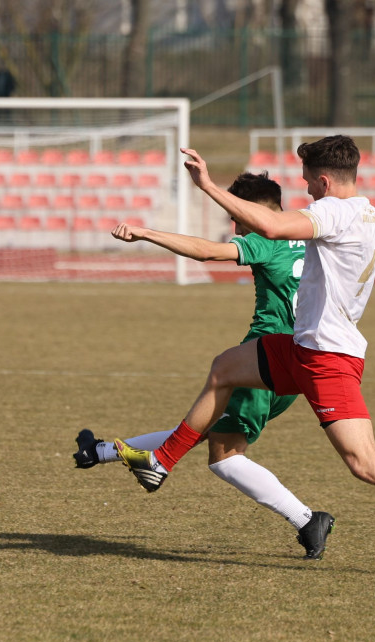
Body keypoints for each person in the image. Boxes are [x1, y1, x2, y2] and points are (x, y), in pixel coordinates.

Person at [114, 136, 375, 582]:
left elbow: (271, 228)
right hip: (301, 347)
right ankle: (161, 462)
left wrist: (209, 187)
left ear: (325, 180)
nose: (307, 190)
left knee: (365, 463)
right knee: (224, 368)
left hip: (327, 359)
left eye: (309, 182)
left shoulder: (331, 212)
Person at [73, 172, 336, 559]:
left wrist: (147, 233)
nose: (234, 225)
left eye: (235, 215)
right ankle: (99, 452)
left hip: (260, 360)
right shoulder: (309, 230)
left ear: (247, 211)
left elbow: (207, 252)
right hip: (303, 359)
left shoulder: (265, 237)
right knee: (205, 425)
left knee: (225, 457)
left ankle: (306, 519)